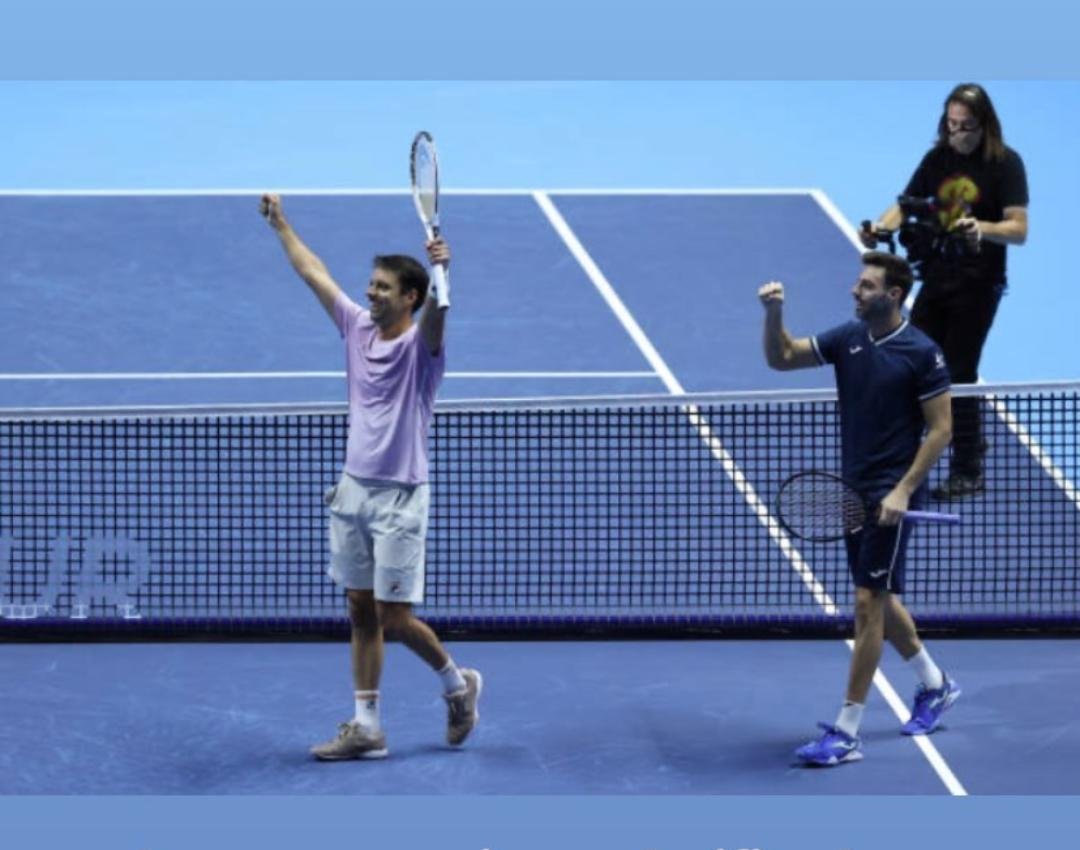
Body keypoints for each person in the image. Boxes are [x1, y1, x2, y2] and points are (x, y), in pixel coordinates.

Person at [260, 193, 481, 760]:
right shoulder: (356, 329)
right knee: (360, 610)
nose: (370, 292)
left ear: (409, 297)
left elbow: (440, 317)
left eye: (383, 287)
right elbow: (314, 273)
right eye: (372, 284)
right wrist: (282, 223)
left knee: (393, 616)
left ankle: (458, 685)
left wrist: (442, 271)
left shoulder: (422, 349)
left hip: (401, 497)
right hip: (352, 490)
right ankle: (367, 727)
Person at [759, 251, 960, 766]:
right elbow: (782, 358)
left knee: (868, 602)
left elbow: (941, 430)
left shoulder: (921, 353)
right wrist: (775, 313)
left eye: (866, 286)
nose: (855, 291)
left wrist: (902, 490)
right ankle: (935, 686)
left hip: (893, 495)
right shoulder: (848, 338)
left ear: (893, 295)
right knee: (881, 597)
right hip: (853, 491)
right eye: (858, 283)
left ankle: (847, 731)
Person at [860, 83, 1029, 500]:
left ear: (984, 125)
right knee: (909, 360)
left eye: (965, 127)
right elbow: (906, 203)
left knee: (958, 374)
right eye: (951, 125)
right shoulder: (939, 157)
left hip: (979, 284)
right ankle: (899, 453)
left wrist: (982, 228)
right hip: (938, 276)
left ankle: (968, 466)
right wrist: (880, 228)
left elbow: (1019, 229)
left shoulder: (1005, 165)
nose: (957, 134)